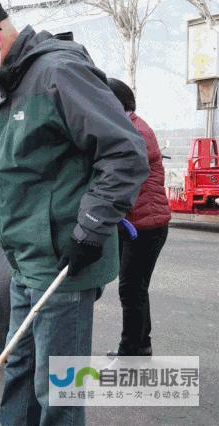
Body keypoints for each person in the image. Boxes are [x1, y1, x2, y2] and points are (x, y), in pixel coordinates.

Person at [0, 1, 149, 424]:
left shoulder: (57, 73)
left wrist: (89, 227)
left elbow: (125, 153)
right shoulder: (13, 83)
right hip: (26, 261)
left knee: (58, 386)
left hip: (61, 261)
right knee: (18, 368)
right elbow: (26, 162)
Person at [106, 78, 171, 358]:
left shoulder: (135, 132)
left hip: (148, 225)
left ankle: (130, 348)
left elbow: (121, 172)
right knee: (135, 288)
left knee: (130, 288)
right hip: (137, 222)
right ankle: (140, 344)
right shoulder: (128, 126)